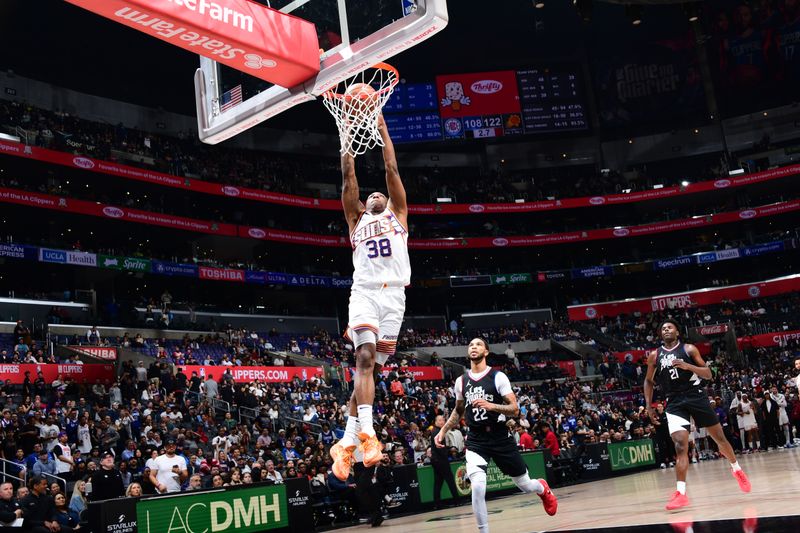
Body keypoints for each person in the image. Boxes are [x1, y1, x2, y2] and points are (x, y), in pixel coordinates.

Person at [330, 114, 410, 480]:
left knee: (370, 371)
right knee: (363, 356)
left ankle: (345, 444)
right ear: (364, 202)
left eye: (382, 193)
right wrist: (347, 131)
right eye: (371, 194)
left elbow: (390, 165)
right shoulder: (355, 218)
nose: (377, 194)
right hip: (363, 292)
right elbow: (349, 176)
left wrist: (380, 128)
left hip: (395, 297)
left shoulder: (399, 213)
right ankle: (368, 434)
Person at [435, 338, 558, 532]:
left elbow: (515, 409)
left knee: (525, 485)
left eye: (478, 345)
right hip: (476, 439)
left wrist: (492, 405)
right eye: (470, 345)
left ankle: (542, 488)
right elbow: (458, 411)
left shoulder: (498, 377)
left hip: (500, 436)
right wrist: (443, 430)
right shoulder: (461, 381)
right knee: (477, 486)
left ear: (486, 352)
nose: (473, 347)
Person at [644, 320, 751, 511]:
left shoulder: (689, 349)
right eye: (663, 328)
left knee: (720, 439)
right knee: (680, 446)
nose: (666, 329)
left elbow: (709, 374)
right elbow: (648, 381)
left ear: (677, 331)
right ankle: (681, 493)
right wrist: (648, 406)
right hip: (674, 402)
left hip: (696, 397)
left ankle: (736, 469)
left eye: (669, 327)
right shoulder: (655, 355)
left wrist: (688, 366)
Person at [430, 415, 461, 509]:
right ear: (435, 422)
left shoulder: (437, 431)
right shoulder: (437, 432)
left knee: (438, 482)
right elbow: (439, 448)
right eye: (439, 420)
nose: (442, 421)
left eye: (443, 420)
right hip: (440, 460)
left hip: (436, 460)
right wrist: (449, 451)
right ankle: (457, 501)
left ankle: (437, 503)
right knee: (450, 480)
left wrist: (448, 449)